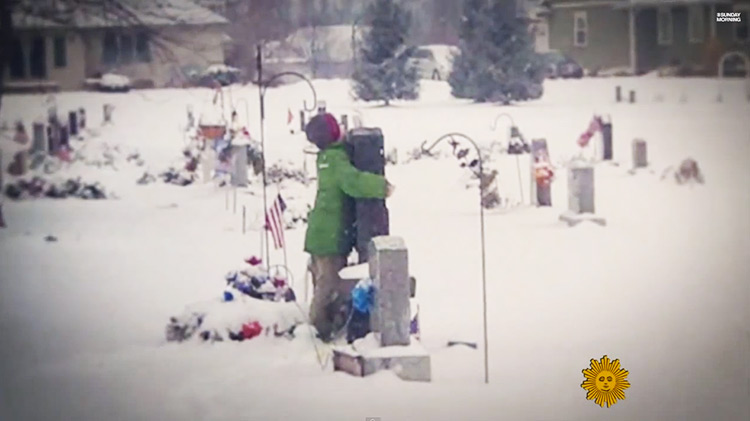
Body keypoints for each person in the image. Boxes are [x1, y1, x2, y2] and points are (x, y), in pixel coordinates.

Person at [304, 113, 394, 341]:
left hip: (322, 232)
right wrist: (381, 186)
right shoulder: (336, 160)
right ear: (333, 134)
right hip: (330, 236)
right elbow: (352, 182)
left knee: (324, 282)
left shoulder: (327, 157)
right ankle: (318, 329)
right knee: (328, 285)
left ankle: (326, 322)